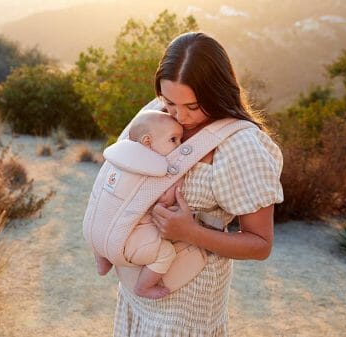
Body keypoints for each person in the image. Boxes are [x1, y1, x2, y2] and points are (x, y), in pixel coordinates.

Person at [112, 32, 283, 337]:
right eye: (170, 102)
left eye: (192, 106)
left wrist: (190, 232)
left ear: (218, 93)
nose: (179, 116)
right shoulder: (158, 112)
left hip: (186, 305)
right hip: (137, 288)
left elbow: (261, 245)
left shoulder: (240, 145)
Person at [94, 110, 184, 300]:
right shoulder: (154, 169)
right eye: (174, 139)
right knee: (166, 253)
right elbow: (165, 201)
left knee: (99, 223)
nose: (180, 145)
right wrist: (177, 185)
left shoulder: (118, 159)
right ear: (147, 142)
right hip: (124, 240)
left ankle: (102, 261)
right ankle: (143, 287)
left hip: (93, 231)